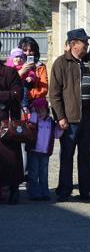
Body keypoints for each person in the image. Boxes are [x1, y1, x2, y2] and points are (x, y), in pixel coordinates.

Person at [49, 28, 90, 202]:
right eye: (84, 42)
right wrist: (60, 117)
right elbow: (55, 93)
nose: (87, 45)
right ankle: (64, 190)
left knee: (86, 155)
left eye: (87, 42)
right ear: (73, 44)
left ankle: (86, 190)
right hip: (70, 118)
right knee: (67, 155)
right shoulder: (61, 63)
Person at [0, 41, 24, 204]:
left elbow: (17, 94)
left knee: (11, 158)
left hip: (7, 123)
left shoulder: (9, 72)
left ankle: (13, 189)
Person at [26, 97, 62, 201]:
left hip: (45, 152)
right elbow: (30, 127)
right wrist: (33, 113)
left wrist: (60, 129)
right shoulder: (34, 121)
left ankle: (44, 192)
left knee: (44, 173)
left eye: (42, 110)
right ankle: (34, 192)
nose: (40, 112)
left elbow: (56, 135)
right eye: (37, 110)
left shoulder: (50, 122)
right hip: (34, 151)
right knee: (33, 173)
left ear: (47, 110)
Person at [5, 48, 35, 112]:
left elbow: (31, 73)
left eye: (20, 57)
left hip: (22, 86)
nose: (18, 59)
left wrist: (31, 78)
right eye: (16, 57)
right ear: (12, 58)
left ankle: (24, 105)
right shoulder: (9, 67)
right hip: (12, 88)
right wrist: (21, 72)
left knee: (24, 87)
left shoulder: (24, 66)